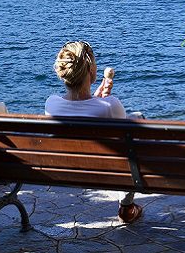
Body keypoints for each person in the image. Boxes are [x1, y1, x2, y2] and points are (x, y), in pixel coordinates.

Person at [45, 41, 143, 224]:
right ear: (91, 71)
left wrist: (95, 100)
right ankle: (127, 206)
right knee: (138, 119)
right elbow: (125, 143)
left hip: (66, 171)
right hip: (106, 171)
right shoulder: (111, 105)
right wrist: (101, 102)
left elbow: (80, 110)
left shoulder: (51, 103)